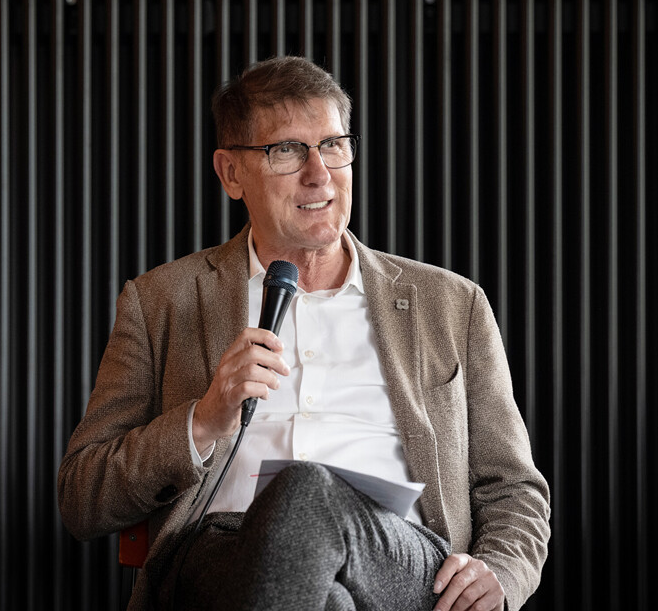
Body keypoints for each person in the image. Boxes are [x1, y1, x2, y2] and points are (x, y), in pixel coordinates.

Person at [58, 56, 550, 611]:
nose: (319, 173)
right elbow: (82, 497)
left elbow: (514, 488)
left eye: (333, 145)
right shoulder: (161, 301)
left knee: (306, 492)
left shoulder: (452, 304)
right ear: (231, 173)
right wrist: (203, 421)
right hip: (221, 556)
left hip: (395, 560)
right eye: (287, 150)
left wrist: (501, 571)